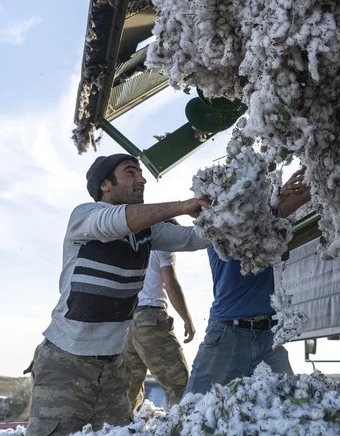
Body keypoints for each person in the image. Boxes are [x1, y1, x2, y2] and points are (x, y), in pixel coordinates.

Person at [25, 154, 211, 436]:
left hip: (112, 369)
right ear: (105, 186)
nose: (142, 179)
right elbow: (116, 221)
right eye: (130, 173)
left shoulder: (147, 232)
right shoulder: (85, 217)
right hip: (65, 365)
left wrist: (235, 209)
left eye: (141, 173)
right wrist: (183, 206)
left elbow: (195, 238)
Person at [185, 169, 311, 395]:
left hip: (268, 336)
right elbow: (250, 221)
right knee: (193, 410)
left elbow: (302, 195)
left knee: (294, 405)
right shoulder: (218, 230)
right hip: (227, 337)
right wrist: (278, 197)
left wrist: (286, 192)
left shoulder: (265, 220)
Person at [122, 246, 195, 409]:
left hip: (127, 324)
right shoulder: (163, 247)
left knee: (127, 393)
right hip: (150, 321)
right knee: (181, 388)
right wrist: (187, 318)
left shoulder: (132, 246)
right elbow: (171, 286)